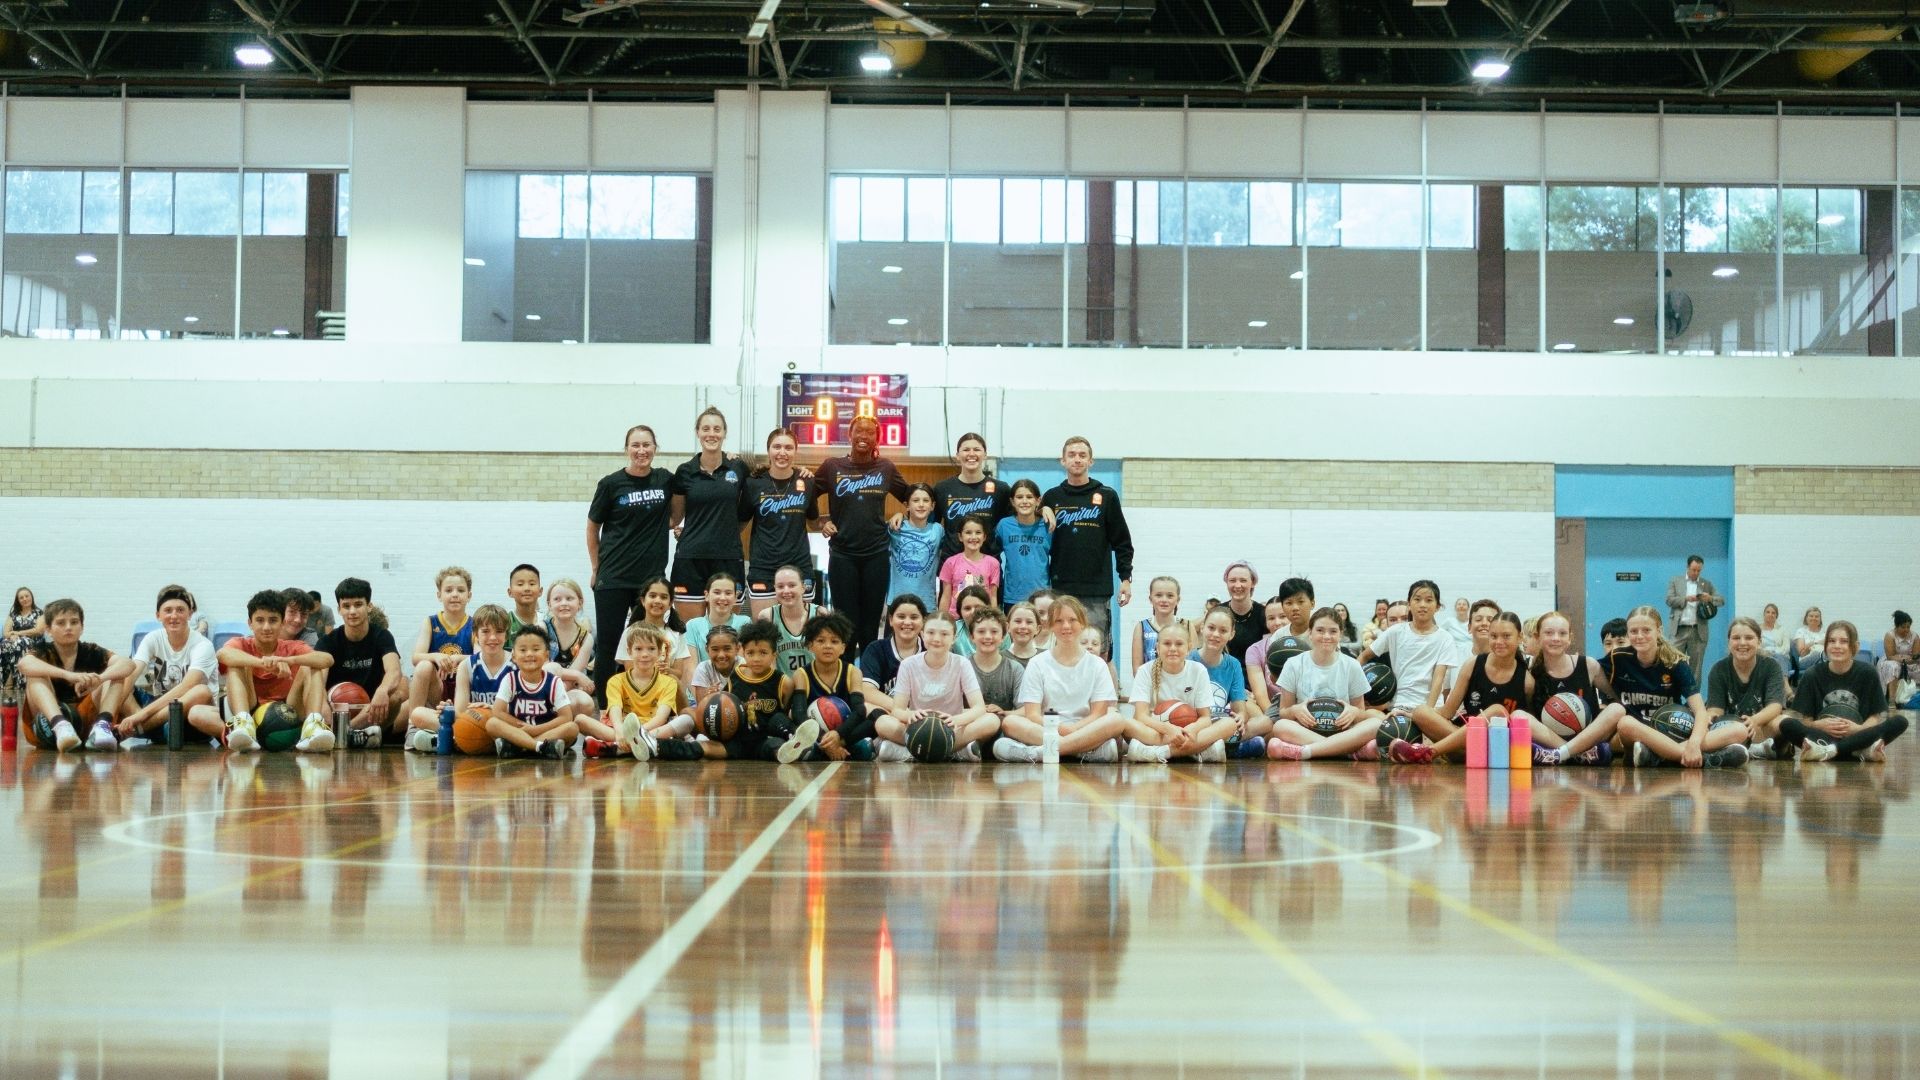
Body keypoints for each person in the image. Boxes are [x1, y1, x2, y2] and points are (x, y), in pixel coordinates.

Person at [587, 424, 675, 706]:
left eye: (647, 445)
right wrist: (596, 568)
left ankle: (645, 704)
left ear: (655, 448)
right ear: (626, 449)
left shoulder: (665, 479)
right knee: (609, 645)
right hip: (613, 577)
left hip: (649, 582)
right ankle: (606, 708)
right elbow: (592, 527)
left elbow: (677, 513)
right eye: (635, 445)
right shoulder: (611, 484)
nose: (641, 450)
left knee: (647, 645)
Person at [809, 414, 910, 652]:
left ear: (877, 438)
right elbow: (805, 494)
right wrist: (820, 522)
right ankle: (845, 674)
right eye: (859, 431)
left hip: (876, 555)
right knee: (845, 625)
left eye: (870, 432)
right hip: (843, 555)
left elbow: (913, 496)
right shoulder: (832, 466)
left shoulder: (885, 468)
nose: (864, 436)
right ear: (849, 435)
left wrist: (901, 514)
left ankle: (868, 673)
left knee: (870, 626)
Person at [992, 596, 1126, 763]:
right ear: (1050, 625)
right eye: (1059, 621)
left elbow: (1098, 713)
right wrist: (1060, 729)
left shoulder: (1097, 664)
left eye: (1072, 620)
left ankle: (1039, 753)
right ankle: (1081, 752)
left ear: (1082, 623)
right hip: (1046, 729)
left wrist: (1072, 730)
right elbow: (1032, 714)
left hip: (1084, 729)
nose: (1066, 626)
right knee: (1010, 722)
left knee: (1116, 720)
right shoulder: (1037, 663)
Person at [1042, 436, 1133, 646]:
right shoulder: (1052, 497)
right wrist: (1042, 508)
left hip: (1097, 591)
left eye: (1082, 455)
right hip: (1061, 589)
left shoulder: (1107, 496)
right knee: (1063, 647)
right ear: (1063, 461)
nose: (1077, 459)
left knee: (1097, 649)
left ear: (1090, 461)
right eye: (1072, 455)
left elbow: (1122, 542)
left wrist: (1125, 578)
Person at [1406, 612, 1533, 764]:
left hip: (1500, 750)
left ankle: (1430, 751)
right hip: (1466, 741)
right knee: (1421, 711)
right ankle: (1462, 751)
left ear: (1520, 637)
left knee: (1497, 711)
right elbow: (1447, 712)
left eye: (1506, 636)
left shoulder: (1527, 681)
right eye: (1494, 636)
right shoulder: (1472, 664)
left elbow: (1528, 727)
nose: (1499, 641)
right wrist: (1411, 714)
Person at [872, 612, 998, 762]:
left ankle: (910, 753)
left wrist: (956, 720)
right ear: (922, 635)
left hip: (952, 729)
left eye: (944, 634)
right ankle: (954, 753)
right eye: (931, 633)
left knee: (992, 720)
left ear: (954, 638)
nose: (937, 639)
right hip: (917, 728)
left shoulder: (962, 663)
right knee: (882, 723)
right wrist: (910, 715)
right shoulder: (908, 665)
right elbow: (897, 710)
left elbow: (979, 708)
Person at [1357, 580, 1460, 763]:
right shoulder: (1396, 632)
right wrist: (1356, 691)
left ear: (1438, 606)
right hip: (1399, 708)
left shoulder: (1445, 638)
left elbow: (1438, 678)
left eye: (1429, 600)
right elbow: (1364, 657)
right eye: (1417, 599)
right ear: (1409, 604)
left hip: (1431, 712)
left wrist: (1425, 714)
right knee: (1368, 716)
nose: (1422, 604)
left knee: (1434, 745)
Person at [1265, 607, 1386, 762]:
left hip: (1342, 730)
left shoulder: (1352, 665)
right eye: (1320, 630)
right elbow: (1283, 712)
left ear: (1341, 634)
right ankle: (1347, 752)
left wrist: (1353, 712)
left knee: (1375, 723)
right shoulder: (1293, 664)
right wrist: (1295, 710)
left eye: (1333, 631)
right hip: (1306, 730)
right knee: (1280, 726)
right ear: (1310, 633)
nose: (1326, 636)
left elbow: (1360, 713)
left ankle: (1307, 751)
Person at [219, 589, 333, 754]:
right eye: (260, 620)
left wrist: (288, 660)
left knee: (310, 663)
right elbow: (222, 654)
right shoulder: (241, 643)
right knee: (237, 662)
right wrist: (263, 663)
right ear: (250, 623)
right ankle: (243, 724)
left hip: (289, 709)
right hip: (250, 706)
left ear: (282, 623)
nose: (266, 627)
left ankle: (313, 725)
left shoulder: (293, 647)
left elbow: (327, 659)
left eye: (273, 620)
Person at [1776, 621, 1907, 763]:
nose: (1837, 646)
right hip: (1823, 735)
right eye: (1832, 641)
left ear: (1855, 646)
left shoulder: (1868, 672)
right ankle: (1858, 751)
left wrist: (1858, 729)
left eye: (1844, 641)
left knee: (1900, 721)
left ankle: (1830, 751)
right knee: (1786, 724)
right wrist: (1818, 725)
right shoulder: (1812, 674)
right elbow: (1806, 720)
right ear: (1825, 646)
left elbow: (1875, 717)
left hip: (1859, 735)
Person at [19, 598, 136, 753]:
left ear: (82, 627)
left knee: (116, 674)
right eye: (61, 623)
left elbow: (128, 664)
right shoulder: (43, 650)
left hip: (86, 723)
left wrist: (99, 679)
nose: (68, 627)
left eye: (74, 622)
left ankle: (102, 727)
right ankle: (61, 726)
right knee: (35, 675)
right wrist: (69, 676)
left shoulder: (91, 650)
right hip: (48, 725)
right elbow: (24, 664)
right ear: (48, 629)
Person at [670, 407, 750, 623]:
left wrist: (726, 531)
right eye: (705, 429)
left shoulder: (738, 467)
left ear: (724, 433)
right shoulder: (685, 471)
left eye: (717, 429)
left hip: (728, 558)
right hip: (690, 560)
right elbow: (675, 517)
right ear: (697, 432)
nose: (711, 434)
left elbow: (746, 512)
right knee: (689, 631)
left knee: (727, 633)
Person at [1608, 606, 1714, 768]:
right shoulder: (1617, 659)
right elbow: (1591, 669)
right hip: (1637, 733)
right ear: (1628, 634)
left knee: (1738, 731)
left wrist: (1694, 743)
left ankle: (1656, 756)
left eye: (1646, 630)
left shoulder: (1676, 663)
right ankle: (1703, 759)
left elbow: (1700, 710)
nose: (1639, 636)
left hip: (1670, 732)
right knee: (1625, 723)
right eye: (1634, 631)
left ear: (1659, 631)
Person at [119, 585, 223, 749]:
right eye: (168, 610)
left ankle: (140, 728)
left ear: (190, 614)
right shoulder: (153, 638)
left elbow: (188, 686)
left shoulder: (203, 645)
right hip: (159, 709)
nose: (174, 616)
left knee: (201, 691)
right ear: (158, 615)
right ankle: (139, 728)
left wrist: (141, 716)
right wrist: (115, 709)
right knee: (118, 681)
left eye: (180, 610)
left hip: (186, 718)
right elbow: (133, 672)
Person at [405, 604, 513, 754]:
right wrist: (449, 710)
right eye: (485, 631)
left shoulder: (516, 664)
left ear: (506, 635)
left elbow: (521, 709)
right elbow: (461, 712)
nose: (493, 637)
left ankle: (447, 740)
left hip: (504, 722)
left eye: (499, 631)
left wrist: (492, 709)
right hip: (474, 722)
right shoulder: (466, 665)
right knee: (418, 713)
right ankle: (480, 742)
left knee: (505, 724)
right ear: (475, 635)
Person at [1123, 619, 1233, 763]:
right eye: (1167, 643)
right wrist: (1167, 729)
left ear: (1189, 648)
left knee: (1230, 724)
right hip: (1158, 731)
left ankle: (1161, 752)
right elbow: (1141, 717)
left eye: (1179, 644)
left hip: (1188, 731)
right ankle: (1197, 751)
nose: (1173, 648)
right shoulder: (1145, 670)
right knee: (1125, 724)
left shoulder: (1198, 670)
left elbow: (1205, 718)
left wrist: (1192, 729)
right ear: (1157, 647)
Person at [779, 610, 879, 764]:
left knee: (877, 715)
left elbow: (859, 711)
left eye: (834, 641)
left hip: (844, 731)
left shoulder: (853, 672)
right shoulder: (801, 674)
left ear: (843, 647)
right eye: (820, 641)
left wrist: (838, 736)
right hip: (814, 732)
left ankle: (824, 749)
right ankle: (831, 748)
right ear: (810, 646)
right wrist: (825, 740)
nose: (827, 646)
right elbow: (799, 714)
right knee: (786, 719)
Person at [1525, 610, 1619, 766]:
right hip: (1551, 739)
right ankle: (1578, 755)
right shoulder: (1530, 672)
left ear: (1570, 638)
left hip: (1589, 737)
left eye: (1562, 633)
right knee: (1519, 715)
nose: (1556, 638)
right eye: (1549, 633)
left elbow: (1617, 696)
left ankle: (1561, 754)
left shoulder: (1588, 665)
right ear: (1537, 637)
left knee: (1617, 708)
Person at [317, 577, 404, 746]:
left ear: (369, 606)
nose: (352, 611)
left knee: (395, 697)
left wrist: (382, 690)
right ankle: (347, 735)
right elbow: (318, 681)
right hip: (336, 710)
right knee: (312, 688)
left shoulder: (382, 636)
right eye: (346, 606)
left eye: (358, 605)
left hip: (371, 709)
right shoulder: (328, 641)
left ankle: (346, 734)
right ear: (339, 609)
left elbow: (394, 671)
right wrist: (322, 704)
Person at [741, 427, 818, 617]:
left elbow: (814, 522)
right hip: (763, 567)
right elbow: (738, 523)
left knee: (801, 630)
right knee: (763, 630)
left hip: (799, 567)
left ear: (795, 451)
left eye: (788, 448)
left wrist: (833, 524)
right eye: (777, 447)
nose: (782, 452)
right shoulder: (753, 483)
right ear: (768, 450)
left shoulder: (807, 481)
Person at [1703, 616, 1786, 765]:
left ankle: (1751, 748)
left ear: (1759, 642)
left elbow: (1775, 706)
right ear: (1729, 642)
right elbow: (1715, 709)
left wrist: (1754, 720)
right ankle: (1754, 749)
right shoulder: (1718, 669)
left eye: (1749, 638)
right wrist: (1709, 717)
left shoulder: (1771, 666)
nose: (1742, 643)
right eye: (1736, 638)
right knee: (1704, 725)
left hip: (1759, 727)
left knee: (1783, 721)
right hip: (1731, 729)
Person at [487, 625, 579, 760]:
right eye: (523, 650)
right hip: (519, 729)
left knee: (572, 728)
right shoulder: (510, 679)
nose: (529, 654)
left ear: (546, 655)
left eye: (536, 649)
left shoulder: (554, 682)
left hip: (546, 731)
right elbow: (497, 711)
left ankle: (520, 746)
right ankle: (541, 747)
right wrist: (520, 726)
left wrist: (535, 730)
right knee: (492, 723)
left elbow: (566, 717)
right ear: (513, 656)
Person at [1189, 605, 1266, 758]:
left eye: (1223, 631)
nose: (1215, 634)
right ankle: (1229, 749)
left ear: (1231, 634)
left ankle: (1207, 748)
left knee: (1265, 722)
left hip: (1221, 723)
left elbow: (1240, 709)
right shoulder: (1188, 660)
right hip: (1194, 723)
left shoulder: (1233, 664)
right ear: (1202, 628)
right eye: (1211, 628)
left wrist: (1240, 718)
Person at [402, 566, 474, 726]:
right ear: (439, 595)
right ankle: (413, 725)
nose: (455, 594)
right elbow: (416, 657)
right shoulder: (430, 622)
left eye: (460, 590)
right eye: (448, 590)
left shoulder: (475, 624)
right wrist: (436, 656)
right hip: (437, 688)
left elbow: (481, 659)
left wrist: (459, 658)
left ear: (469, 595)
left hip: (463, 690)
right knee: (423, 666)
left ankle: (447, 726)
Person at [932, 433, 1015, 564]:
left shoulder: (1001, 489)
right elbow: (926, 523)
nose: (971, 454)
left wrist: (1043, 510)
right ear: (957, 455)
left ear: (985, 455)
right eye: (966, 450)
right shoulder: (942, 488)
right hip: (952, 565)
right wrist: (901, 517)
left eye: (976, 449)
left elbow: (1019, 520)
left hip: (988, 566)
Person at [607, 622, 683, 759]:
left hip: (651, 729)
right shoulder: (615, 681)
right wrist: (619, 731)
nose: (645, 654)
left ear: (660, 652)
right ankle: (644, 745)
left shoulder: (669, 682)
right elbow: (615, 711)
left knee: (684, 722)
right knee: (581, 721)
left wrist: (638, 732)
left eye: (651, 649)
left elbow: (661, 718)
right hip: (624, 730)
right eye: (638, 649)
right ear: (629, 651)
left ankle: (614, 748)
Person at [620, 576, 695, 686]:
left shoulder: (676, 634)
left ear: (670, 603)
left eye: (663, 597)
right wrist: (651, 669)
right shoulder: (630, 632)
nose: (657, 601)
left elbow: (679, 674)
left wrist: (668, 670)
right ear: (643, 600)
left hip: (667, 689)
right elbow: (629, 670)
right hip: (638, 689)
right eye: (652, 596)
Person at [858, 594, 926, 713]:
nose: (907, 622)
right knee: (866, 707)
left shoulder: (931, 650)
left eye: (914, 617)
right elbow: (867, 690)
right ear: (890, 620)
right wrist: (904, 712)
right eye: (901, 616)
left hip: (924, 715)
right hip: (889, 713)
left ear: (923, 621)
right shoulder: (876, 649)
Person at [994, 479, 1052, 617]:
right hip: (1013, 596)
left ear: (1038, 500)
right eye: (1019, 497)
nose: (1024, 501)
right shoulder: (1004, 525)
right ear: (1012, 501)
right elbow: (993, 555)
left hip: (1041, 596)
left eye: (1029, 497)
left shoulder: (1047, 525)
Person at [543, 578, 597, 716]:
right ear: (549, 604)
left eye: (569, 598)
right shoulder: (542, 628)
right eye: (557, 599)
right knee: (551, 667)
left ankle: (568, 726)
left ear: (580, 603)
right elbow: (543, 668)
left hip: (569, 685)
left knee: (584, 702)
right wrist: (578, 676)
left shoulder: (586, 638)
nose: (564, 603)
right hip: (541, 684)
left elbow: (574, 671)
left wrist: (574, 678)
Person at [888, 484, 943, 615]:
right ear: (907, 505)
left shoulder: (938, 530)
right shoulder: (895, 527)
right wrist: (899, 514)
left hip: (926, 603)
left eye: (926, 500)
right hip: (897, 602)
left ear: (932, 506)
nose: (921, 504)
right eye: (916, 500)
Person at [1665, 554, 1724, 676]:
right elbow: (1669, 600)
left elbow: (1721, 601)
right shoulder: (1675, 581)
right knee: (1672, 665)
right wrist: (1685, 599)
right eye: (1693, 570)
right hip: (1678, 631)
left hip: (1698, 632)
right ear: (1687, 567)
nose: (1696, 573)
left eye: (1699, 570)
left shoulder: (1706, 584)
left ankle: (1694, 689)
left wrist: (1710, 598)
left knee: (1695, 670)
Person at [761, 565, 820, 677]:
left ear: (803, 587)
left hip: (814, 683)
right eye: (780, 586)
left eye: (792, 585)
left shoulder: (820, 614)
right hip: (783, 683)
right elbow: (768, 659)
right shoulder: (767, 616)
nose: (786, 591)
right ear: (775, 589)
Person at [968, 607, 1026, 720]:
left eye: (994, 632)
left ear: (1003, 636)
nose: (988, 637)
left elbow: (1025, 710)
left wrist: (1003, 713)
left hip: (1006, 726)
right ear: (972, 636)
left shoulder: (1014, 669)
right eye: (981, 631)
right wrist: (979, 712)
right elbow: (953, 709)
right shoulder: (963, 666)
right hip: (971, 725)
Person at [682, 571, 752, 661]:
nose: (722, 598)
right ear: (707, 595)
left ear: (735, 597)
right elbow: (691, 666)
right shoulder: (692, 625)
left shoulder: (745, 622)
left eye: (728, 593)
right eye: (717, 592)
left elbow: (742, 664)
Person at [937, 516, 1000, 615]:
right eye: (968, 532)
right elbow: (946, 596)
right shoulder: (950, 562)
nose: (973, 537)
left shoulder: (993, 563)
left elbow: (993, 597)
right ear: (960, 537)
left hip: (982, 618)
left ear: (984, 537)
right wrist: (942, 620)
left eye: (978, 532)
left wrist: (993, 618)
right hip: (956, 619)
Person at [1214, 562, 1264, 670]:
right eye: (1232, 580)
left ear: (1253, 583)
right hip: (1224, 671)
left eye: (1243, 580)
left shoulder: (1263, 613)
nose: (1237, 585)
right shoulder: (1218, 613)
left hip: (1255, 672)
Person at [1131, 576, 1184, 677]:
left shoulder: (1186, 626)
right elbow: (1137, 670)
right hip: (1150, 684)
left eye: (1170, 596)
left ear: (1178, 599)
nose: (1164, 600)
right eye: (1159, 595)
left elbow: (1193, 667)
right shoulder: (1141, 627)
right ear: (1150, 599)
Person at [1, 587, 46, 701]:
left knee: (20, 643)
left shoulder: (39, 613)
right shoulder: (14, 614)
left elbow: (38, 630)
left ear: (31, 597)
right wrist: (12, 636)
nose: (24, 599)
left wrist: (18, 633)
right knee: (4, 644)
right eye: (21, 597)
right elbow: (6, 632)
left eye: (27, 596)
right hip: (15, 643)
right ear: (18, 600)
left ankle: (15, 683)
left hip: (35, 643)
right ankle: (6, 682)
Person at [1878, 611, 1914, 702]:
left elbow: (1916, 655)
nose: (1906, 629)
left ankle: (1914, 699)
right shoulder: (1890, 635)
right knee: (1893, 667)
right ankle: (1892, 700)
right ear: (1896, 626)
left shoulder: (1915, 636)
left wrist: (1911, 659)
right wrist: (1905, 659)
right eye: (1903, 627)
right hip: (1890, 661)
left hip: (1909, 661)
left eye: (1908, 627)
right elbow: (1890, 656)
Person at [506, 564, 543, 636]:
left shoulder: (548, 621)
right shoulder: (504, 622)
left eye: (532, 584)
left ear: (540, 591)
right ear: (510, 592)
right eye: (520, 584)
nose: (527, 588)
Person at [1759, 603, 1794, 676]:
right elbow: (1755, 646)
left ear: (1776, 616)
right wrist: (1765, 653)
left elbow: (1786, 648)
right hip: (1764, 657)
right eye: (1768, 612)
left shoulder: (1783, 630)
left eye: (1773, 613)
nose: (1770, 614)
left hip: (1782, 658)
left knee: (1779, 658)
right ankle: (1785, 680)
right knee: (1770, 661)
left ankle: (1785, 680)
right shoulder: (1757, 629)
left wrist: (1773, 652)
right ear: (1764, 614)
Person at [1792, 607, 1825, 673]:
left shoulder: (1825, 633)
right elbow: (1801, 654)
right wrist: (1815, 643)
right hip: (1804, 661)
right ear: (1806, 618)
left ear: (1820, 619)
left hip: (1823, 659)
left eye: (1817, 616)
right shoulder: (1801, 631)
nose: (1814, 618)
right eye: (1811, 616)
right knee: (1818, 654)